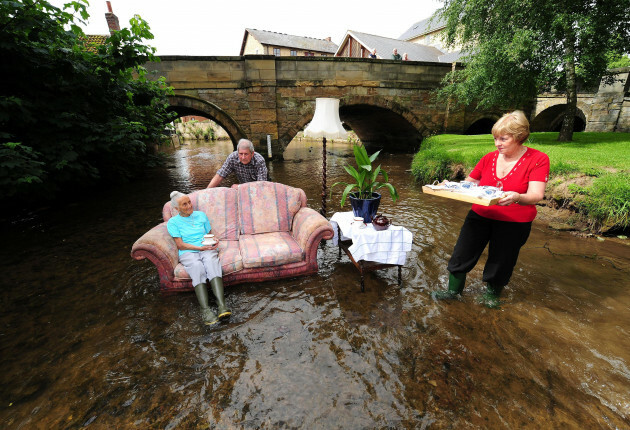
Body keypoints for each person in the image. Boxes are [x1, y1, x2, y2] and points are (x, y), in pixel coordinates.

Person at [432, 111, 549, 308]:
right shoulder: (488, 158)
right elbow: (469, 184)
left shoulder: (538, 159)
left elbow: (536, 195)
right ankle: (453, 292)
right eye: (495, 138)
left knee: (501, 261)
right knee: (462, 253)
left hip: (514, 222)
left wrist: (517, 197)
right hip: (480, 215)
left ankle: (492, 297)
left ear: (519, 136)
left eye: (503, 138)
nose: (497, 143)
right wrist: (449, 185)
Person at [167, 191, 231, 325]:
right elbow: (180, 245)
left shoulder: (201, 215)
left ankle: (221, 305)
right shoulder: (173, 223)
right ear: (176, 209)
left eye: (189, 202)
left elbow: (209, 234)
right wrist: (199, 248)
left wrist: (214, 240)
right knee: (197, 267)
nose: (189, 205)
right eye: (184, 204)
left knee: (211, 262)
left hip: (206, 248)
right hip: (188, 252)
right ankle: (205, 310)